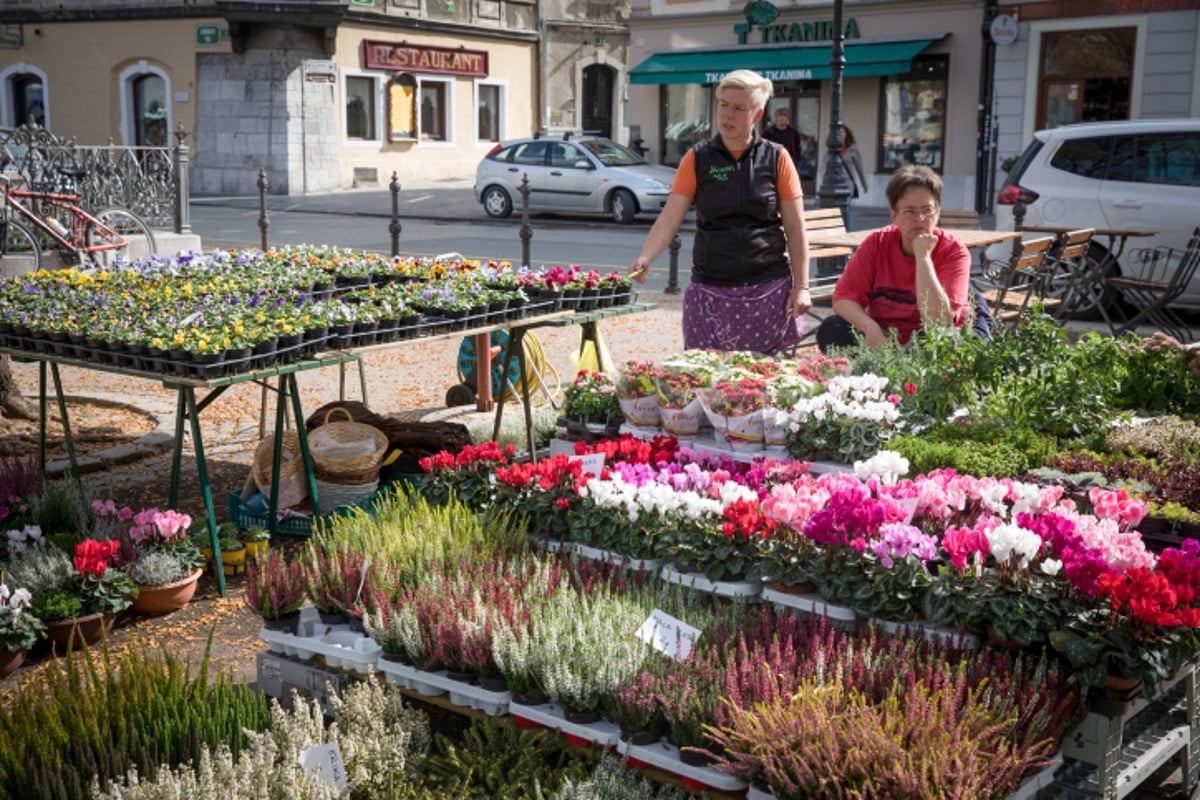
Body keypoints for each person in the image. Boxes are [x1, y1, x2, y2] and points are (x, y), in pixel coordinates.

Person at [628, 70, 811, 355]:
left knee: (759, 384)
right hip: (710, 290)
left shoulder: (777, 158)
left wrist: (802, 286)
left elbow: (796, 227)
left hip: (767, 288)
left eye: (739, 108)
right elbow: (669, 218)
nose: (728, 114)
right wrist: (645, 256)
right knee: (706, 381)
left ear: (758, 114)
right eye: (724, 105)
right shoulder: (697, 158)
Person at [815, 164, 972, 351]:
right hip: (882, 335)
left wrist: (923, 256)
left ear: (937, 213)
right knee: (832, 328)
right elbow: (842, 299)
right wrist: (869, 327)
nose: (920, 219)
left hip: (927, 339)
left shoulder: (954, 251)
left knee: (940, 337)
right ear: (894, 215)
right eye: (909, 211)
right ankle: (862, 378)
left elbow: (939, 319)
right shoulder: (877, 243)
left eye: (927, 210)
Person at [839, 124, 868, 228]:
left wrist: (864, 184)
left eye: (842, 132)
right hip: (835, 184)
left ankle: (847, 231)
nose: (840, 135)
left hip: (848, 185)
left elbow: (859, 167)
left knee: (846, 209)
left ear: (847, 134)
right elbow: (825, 165)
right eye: (838, 132)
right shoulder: (832, 148)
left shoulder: (853, 149)